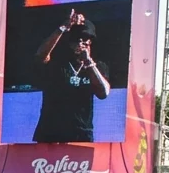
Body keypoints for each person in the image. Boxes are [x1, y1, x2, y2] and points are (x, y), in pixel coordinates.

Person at [33, 14, 111, 143]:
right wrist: (62, 28)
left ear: (90, 41)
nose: (80, 43)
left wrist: (88, 62)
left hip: (81, 134)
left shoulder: (99, 66)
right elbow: (41, 56)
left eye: (84, 39)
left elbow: (103, 93)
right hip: (50, 133)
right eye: (75, 39)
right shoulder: (58, 62)